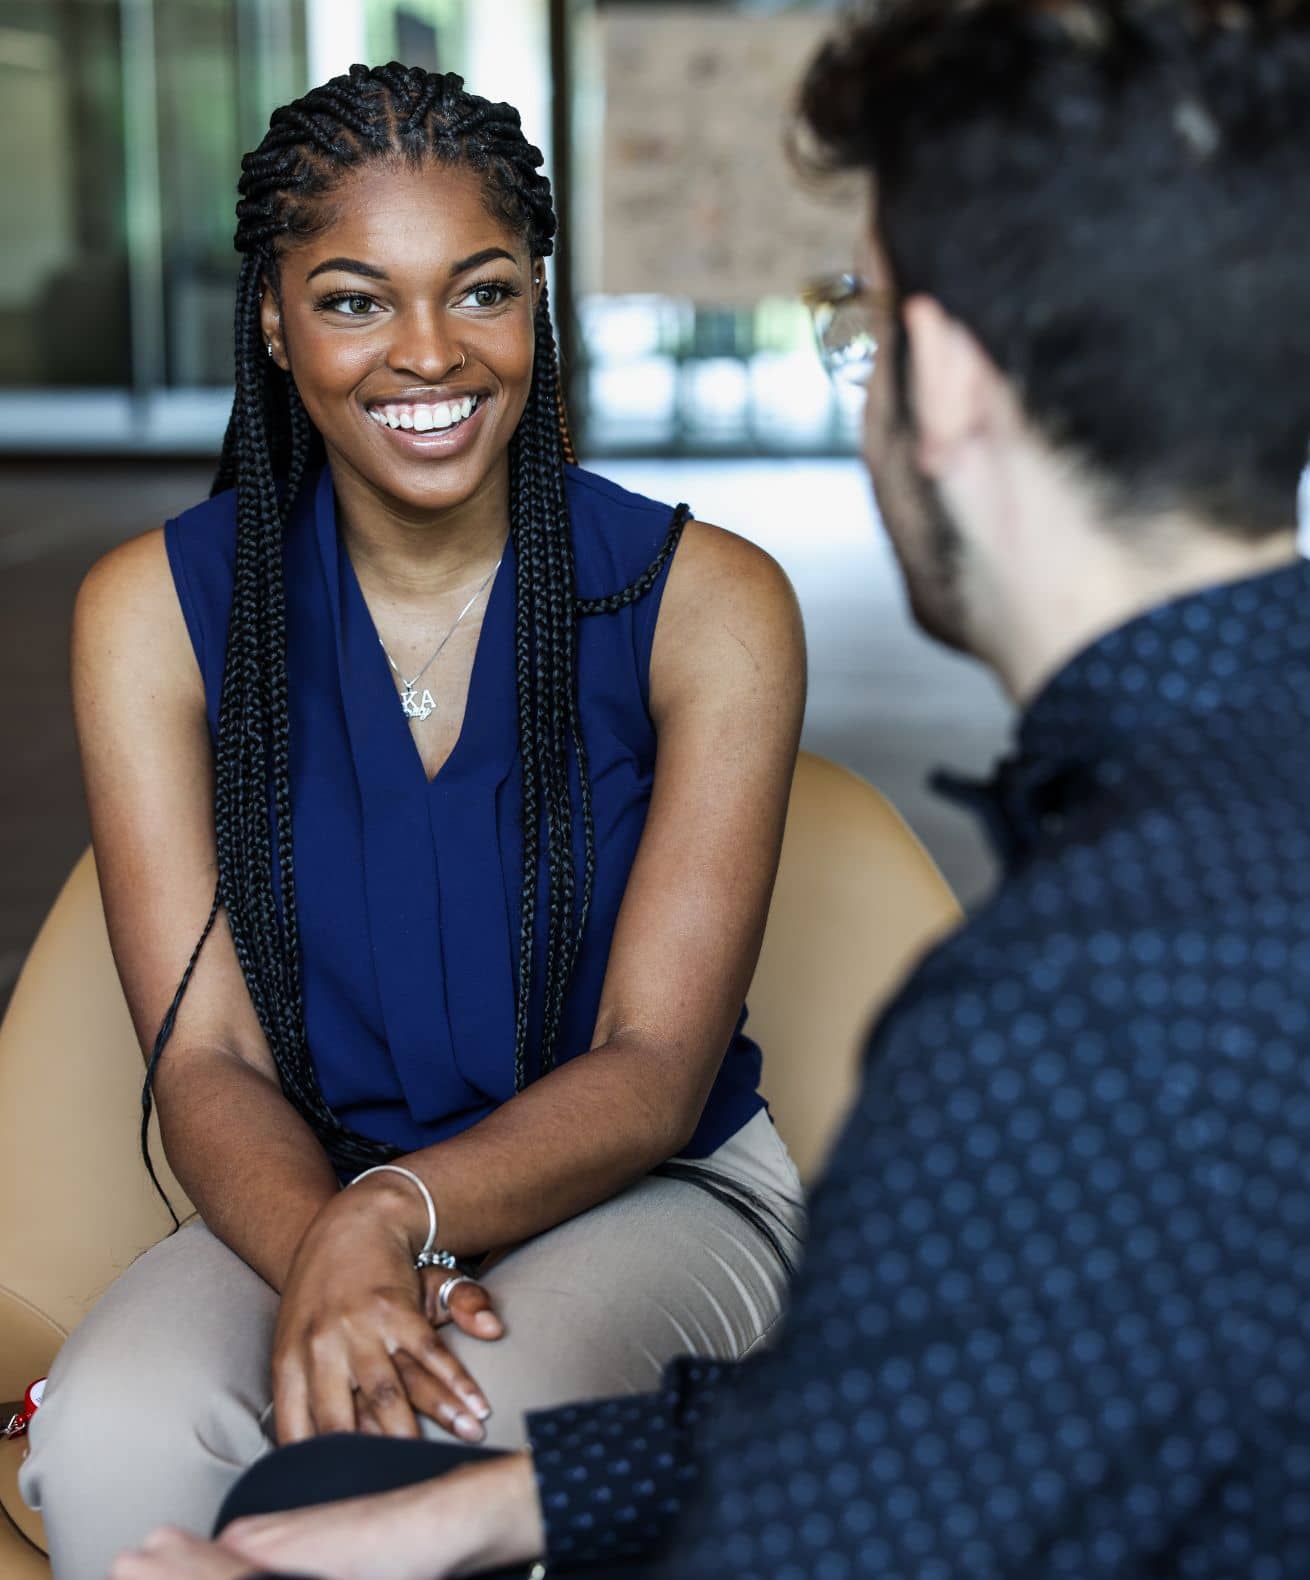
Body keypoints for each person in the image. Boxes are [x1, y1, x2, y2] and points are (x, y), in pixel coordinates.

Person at [111, 0, 1310, 1575]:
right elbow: (946, 1407)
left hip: (612, 1211)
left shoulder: (1071, 1007)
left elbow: (857, 1499)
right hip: (358, 1221)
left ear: (935, 375)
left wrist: (340, 1502)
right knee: (149, 1448)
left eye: (853, 318)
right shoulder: (1176, 892)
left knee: (314, 1492)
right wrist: (477, 1497)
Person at [21, 63, 809, 1580]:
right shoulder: (156, 615)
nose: (431, 353)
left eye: (483, 290)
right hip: (301, 1182)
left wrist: (391, 1221)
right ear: (272, 318)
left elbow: (653, 1071)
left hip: (651, 1192)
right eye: (354, 299)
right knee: (114, 1433)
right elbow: (208, 1055)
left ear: (539, 305)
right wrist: (335, 1233)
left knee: (428, 1447)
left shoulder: (707, 605)